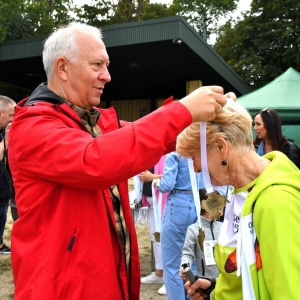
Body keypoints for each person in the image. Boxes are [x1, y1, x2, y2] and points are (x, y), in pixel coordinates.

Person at [8, 22, 229, 300]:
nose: (107, 76)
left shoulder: (90, 121)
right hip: (61, 288)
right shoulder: (33, 125)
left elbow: (143, 138)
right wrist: (183, 110)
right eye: (97, 65)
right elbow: (95, 160)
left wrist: (206, 120)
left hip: (97, 280)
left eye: (107, 65)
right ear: (62, 68)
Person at [176, 100, 300, 300]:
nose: (197, 169)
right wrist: (215, 289)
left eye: (194, 158)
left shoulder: (276, 201)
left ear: (221, 147)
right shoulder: (242, 193)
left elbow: (290, 291)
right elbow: (251, 273)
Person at [152, 151, 203, 300]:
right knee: (193, 261)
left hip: (178, 203)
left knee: (172, 265)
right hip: (200, 203)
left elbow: (167, 185)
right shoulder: (205, 150)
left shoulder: (176, 154)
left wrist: (157, 182)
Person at [180, 189, 223, 300]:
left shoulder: (223, 227)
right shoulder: (193, 229)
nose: (222, 210)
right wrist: (184, 266)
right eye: (220, 206)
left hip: (223, 282)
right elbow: (187, 253)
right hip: (204, 285)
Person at [138, 155, 168, 295]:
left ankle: (171, 279)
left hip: (165, 201)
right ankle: (159, 273)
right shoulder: (152, 153)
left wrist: (152, 177)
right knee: (155, 237)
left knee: (167, 239)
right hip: (151, 201)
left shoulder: (172, 154)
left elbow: (175, 178)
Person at [0, 95, 15, 254]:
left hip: (4, 188)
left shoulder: (3, 131)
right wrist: (8, 141)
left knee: (3, 216)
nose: (13, 119)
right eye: (11, 115)